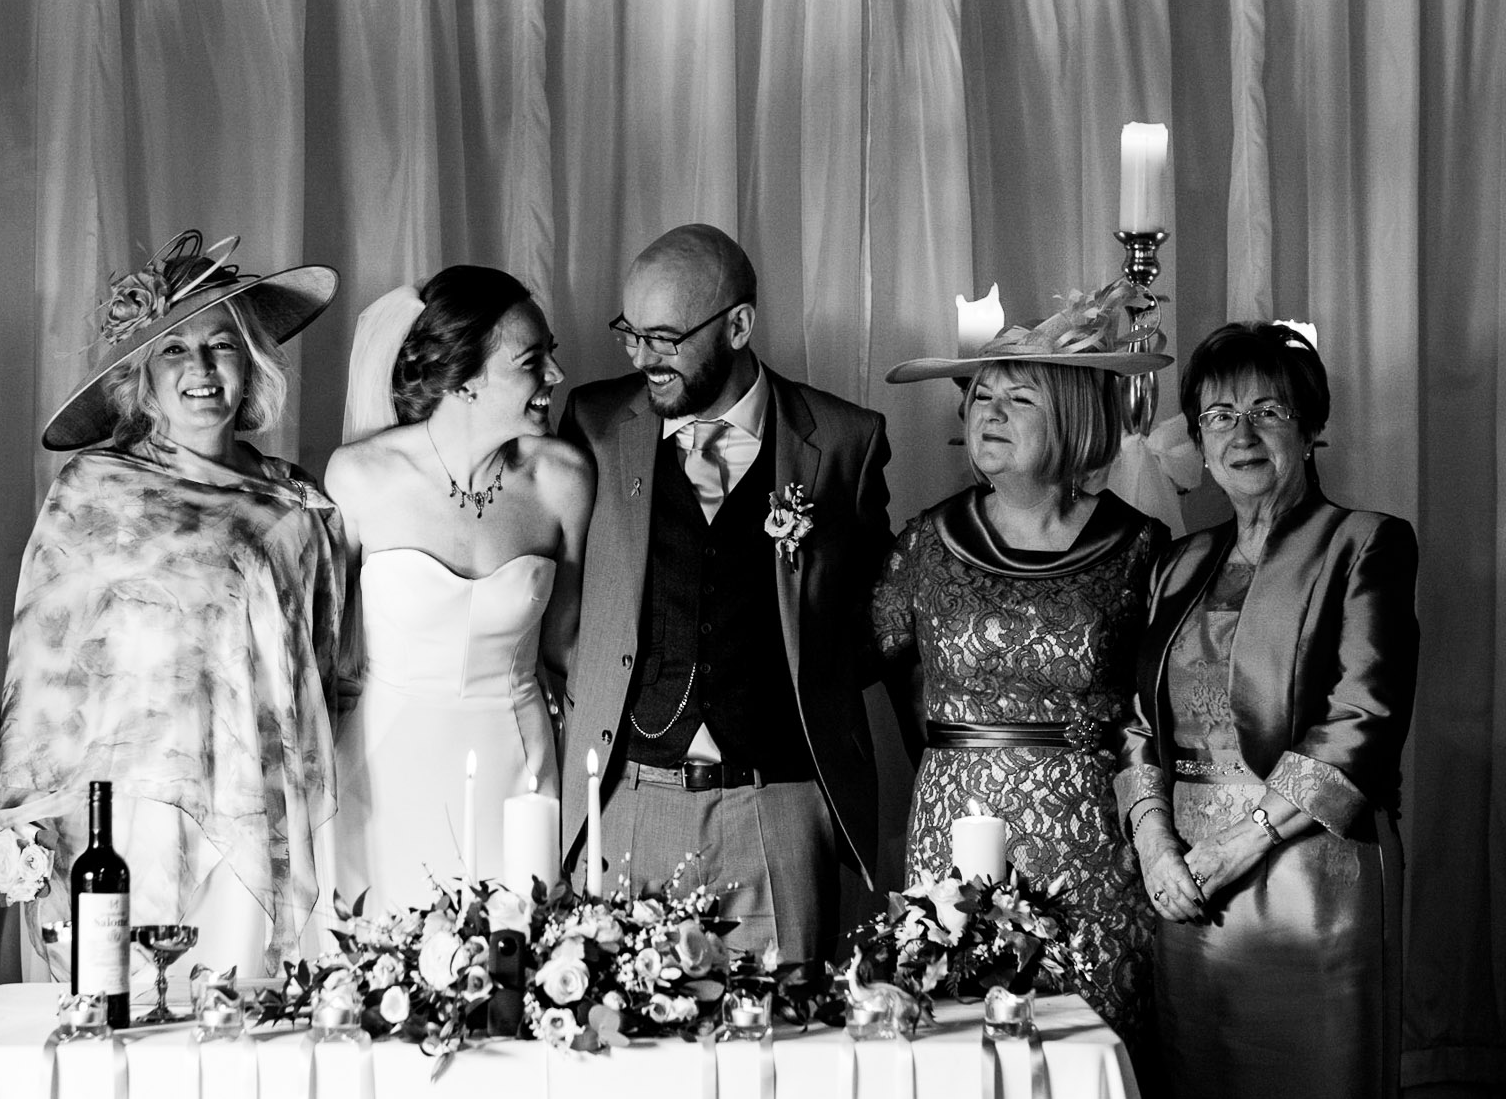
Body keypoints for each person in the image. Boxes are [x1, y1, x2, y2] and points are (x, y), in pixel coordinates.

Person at [0, 230, 342, 982]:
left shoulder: (300, 503)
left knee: (244, 1038)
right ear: (141, 378)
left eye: (222, 345)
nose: (203, 369)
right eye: (174, 351)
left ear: (252, 361)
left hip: (256, 816)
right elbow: (42, 673)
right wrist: (22, 817)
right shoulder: (93, 490)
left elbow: (330, 669)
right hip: (120, 821)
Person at [556, 224, 893, 965]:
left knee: (784, 1056)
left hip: (779, 804)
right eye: (630, 333)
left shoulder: (843, 440)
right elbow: (561, 603)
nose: (642, 356)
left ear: (739, 325)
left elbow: (876, 626)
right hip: (631, 797)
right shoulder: (594, 423)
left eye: (665, 337)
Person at [1117, 321, 1418, 1097]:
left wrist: (1240, 845)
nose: (1240, 434)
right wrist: (1155, 847)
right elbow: (1139, 726)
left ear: (1311, 428)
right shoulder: (1179, 562)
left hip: (1307, 877)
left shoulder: (1364, 542)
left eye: (1268, 411)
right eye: (1219, 416)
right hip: (1186, 888)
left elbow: (1364, 717)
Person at [878, 282, 1171, 1041]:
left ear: (1073, 418)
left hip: (1093, 852)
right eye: (981, 395)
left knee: (1088, 1051)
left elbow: (1164, 713)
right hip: (953, 845)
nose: (989, 411)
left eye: (1019, 399)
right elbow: (856, 673)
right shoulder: (925, 543)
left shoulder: (1139, 548)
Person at [324, 267, 594, 912]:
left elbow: (568, 645)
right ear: (464, 379)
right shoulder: (361, 477)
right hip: (383, 768)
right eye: (533, 362)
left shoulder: (563, 480)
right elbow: (322, 637)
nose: (555, 376)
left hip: (519, 764)